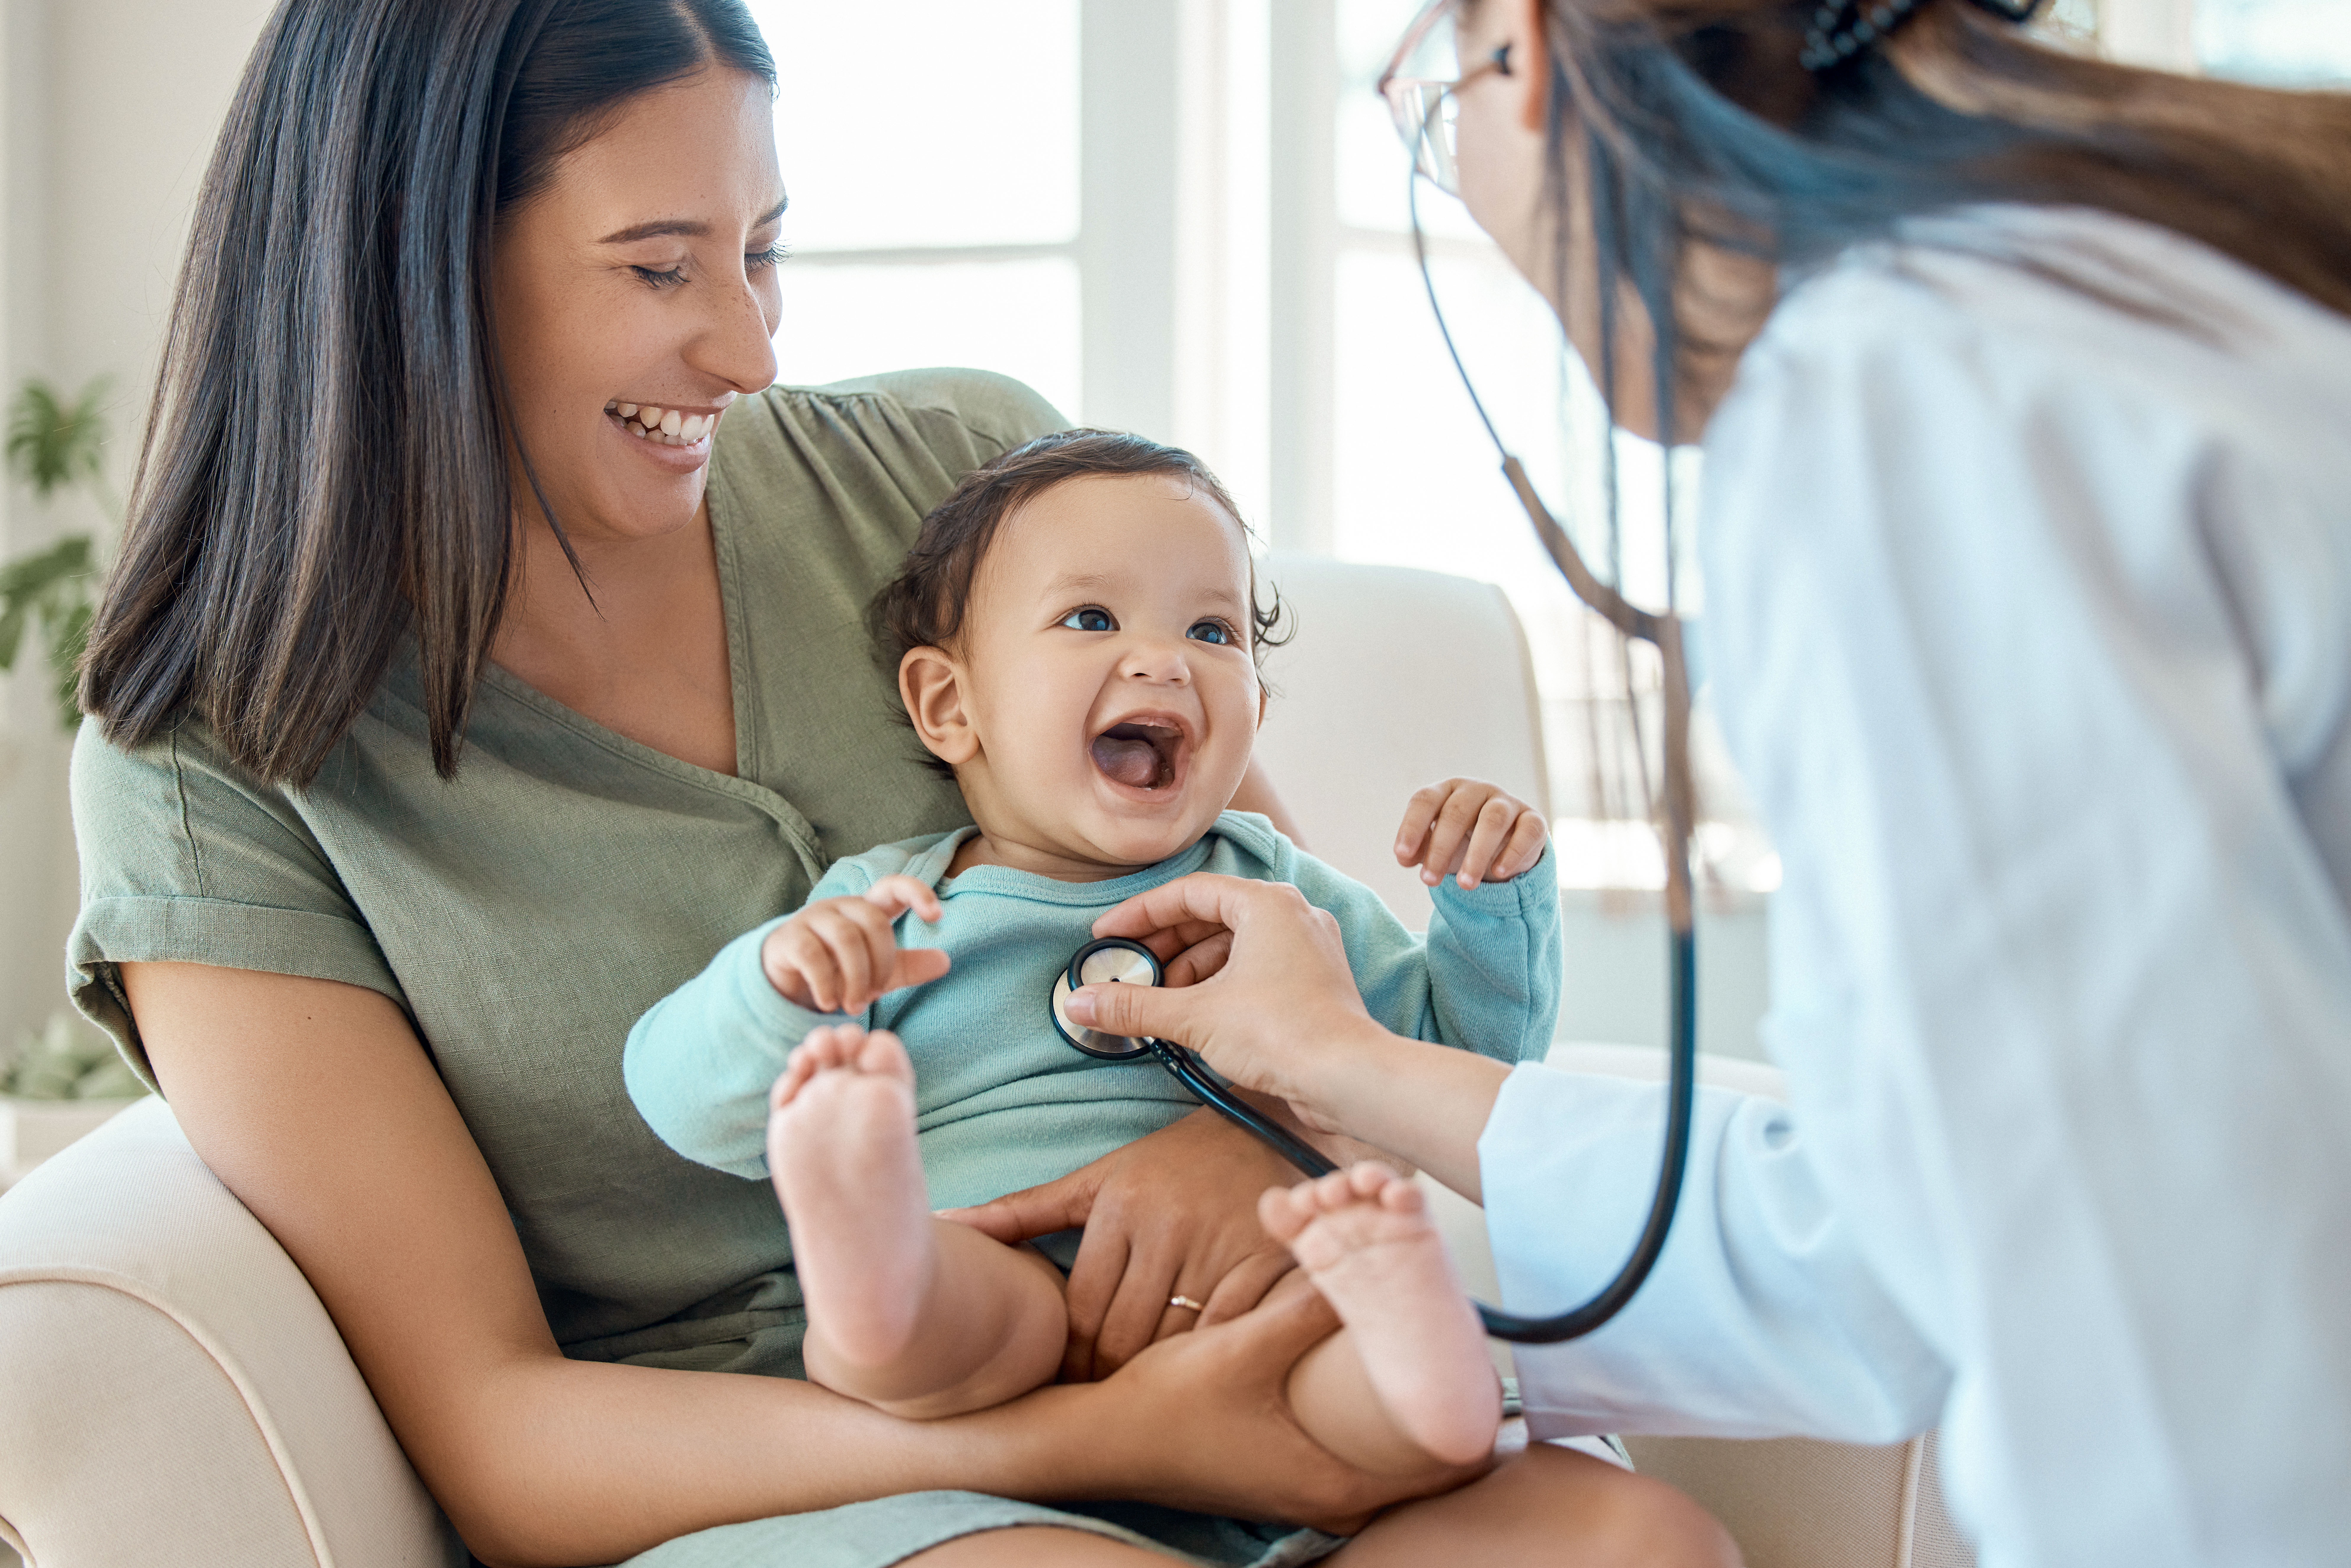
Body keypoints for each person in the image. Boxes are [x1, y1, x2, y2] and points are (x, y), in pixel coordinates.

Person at [61, 1, 1738, 1564]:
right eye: (660, 269)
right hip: (805, 1470)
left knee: (1636, 1542)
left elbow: (1262, 947)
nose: (747, 347)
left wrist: (1238, 1155)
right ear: (413, 273)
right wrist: (1092, 1436)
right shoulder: (212, 763)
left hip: (1232, 1346)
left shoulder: (960, 478)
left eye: (765, 250)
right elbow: (502, 1433)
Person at [1054, 2, 2351, 1565]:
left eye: (1434, 100)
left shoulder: (1909, 400)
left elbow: (2146, 1341)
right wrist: (1336, 1060)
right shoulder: (2155, 274)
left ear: (1526, 54)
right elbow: (1927, 1228)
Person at [623, 429, 1554, 1473]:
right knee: (920, 1332)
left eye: (1214, 628)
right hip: (999, 1263)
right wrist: (777, 988)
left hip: (1259, 1283)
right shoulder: (895, 908)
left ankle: (1419, 1346)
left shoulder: (1276, 893)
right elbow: (681, 1102)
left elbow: (1455, 1064)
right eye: (1091, 617)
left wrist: (1488, 904)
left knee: (1381, 1409)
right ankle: (873, 1245)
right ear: (950, 705)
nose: (1164, 658)